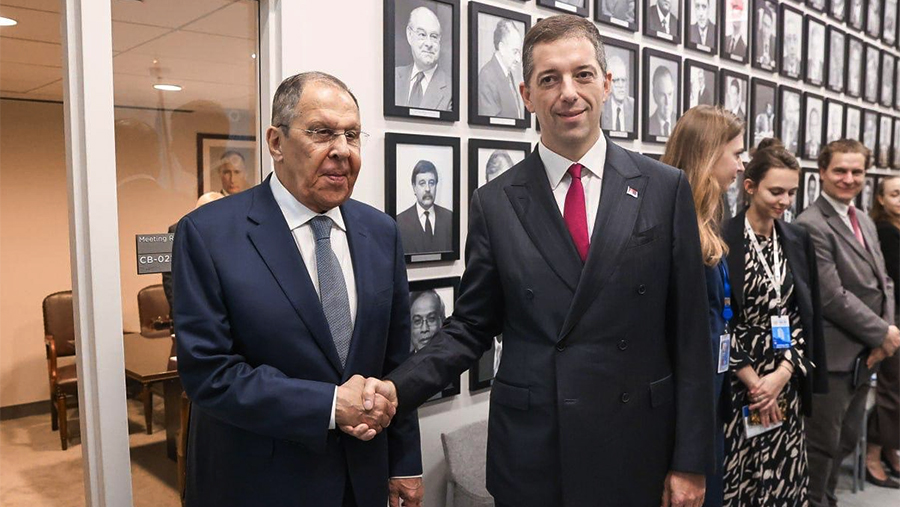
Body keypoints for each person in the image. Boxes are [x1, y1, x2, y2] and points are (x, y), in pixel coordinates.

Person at [370, 14, 715, 507]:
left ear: (606, 83)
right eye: (549, 79)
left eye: (582, 74)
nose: (568, 93)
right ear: (527, 95)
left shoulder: (664, 188)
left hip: (638, 444)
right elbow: (471, 326)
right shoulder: (495, 202)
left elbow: (691, 336)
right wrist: (395, 390)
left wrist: (690, 461)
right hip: (536, 451)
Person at [172, 72, 423, 507]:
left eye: (352, 135)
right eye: (322, 132)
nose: (342, 150)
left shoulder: (381, 231)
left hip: (361, 479)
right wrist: (330, 405)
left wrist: (404, 461)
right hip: (259, 484)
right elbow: (208, 373)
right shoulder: (208, 234)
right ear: (276, 142)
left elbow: (396, 359)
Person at [720, 138, 827, 506]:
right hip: (738, 382)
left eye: (791, 193)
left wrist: (782, 374)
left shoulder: (796, 238)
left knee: (783, 477)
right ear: (750, 187)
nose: (785, 201)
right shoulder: (724, 238)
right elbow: (718, 318)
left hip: (784, 378)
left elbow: (803, 312)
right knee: (742, 478)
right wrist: (755, 384)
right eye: (776, 192)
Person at [795, 140, 899, 507]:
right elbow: (831, 297)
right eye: (840, 170)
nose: (849, 178)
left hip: (866, 353)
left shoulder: (864, 219)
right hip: (833, 356)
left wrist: (885, 337)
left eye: (857, 171)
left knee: (847, 439)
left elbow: (884, 282)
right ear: (822, 172)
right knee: (822, 445)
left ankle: (827, 499)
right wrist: (883, 332)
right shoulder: (810, 224)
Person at [661, 105, 746, 507]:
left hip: (708, 403)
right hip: (681, 419)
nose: (741, 166)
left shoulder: (706, 224)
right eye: (736, 154)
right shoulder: (676, 231)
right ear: (709, 154)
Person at [867, 175, 900, 488]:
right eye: (895, 194)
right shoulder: (885, 231)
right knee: (892, 390)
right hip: (893, 319)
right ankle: (873, 455)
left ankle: (890, 449)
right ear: (880, 198)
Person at [395, 6, 452, 111]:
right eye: (422, 34)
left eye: (434, 36)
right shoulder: (394, 77)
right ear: (409, 35)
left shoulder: (452, 89)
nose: (429, 44)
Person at [395, 159, 453, 255]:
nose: (427, 189)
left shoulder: (450, 218)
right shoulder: (400, 222)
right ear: (414, 187)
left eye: (431, 183)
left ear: (436, 186)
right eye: (422, 183)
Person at [478, 19, 524, 119]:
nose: (518, 59)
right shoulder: (487, 76)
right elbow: (489, 123)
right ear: (502, 48)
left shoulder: (507, 72)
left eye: (519, 52)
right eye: (515, 52)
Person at [601, 55, 635, 132]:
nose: (621, 85)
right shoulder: (602, 107)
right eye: (616, 80)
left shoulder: (633, 105)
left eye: (623, 80)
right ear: (608, 83)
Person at [649, 65, 677, 137]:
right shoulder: (648, 125)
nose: (667, 102)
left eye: (670, 94)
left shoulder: (681, 125)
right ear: (654, 95)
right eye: (662, 95)